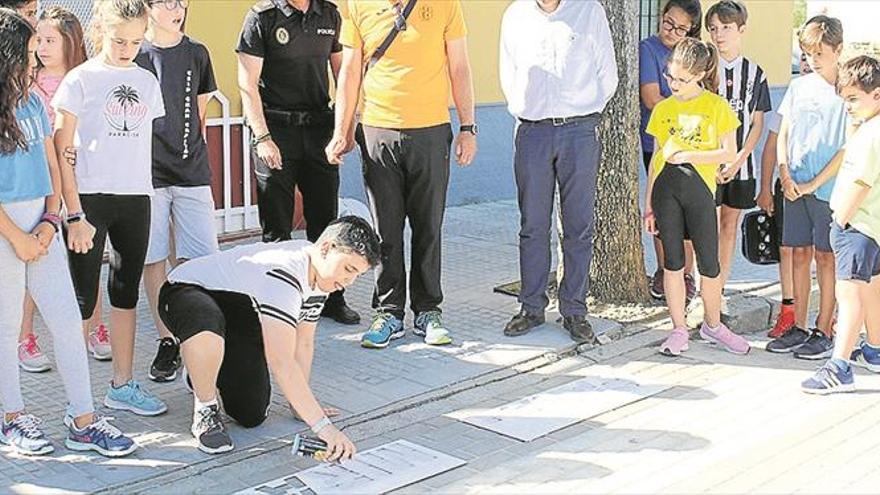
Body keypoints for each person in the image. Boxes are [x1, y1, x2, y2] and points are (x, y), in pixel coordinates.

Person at [0, 7, 137, 457]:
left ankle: (83, 418)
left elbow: (52, 162)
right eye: (28, 50)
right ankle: (12, 417)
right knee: (4, 330)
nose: (36, 58)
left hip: (43, 229)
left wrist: (50, 220)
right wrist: (17, 237)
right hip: (7, 233)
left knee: (65, 320)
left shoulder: (33, 102)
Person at [159, 216, 379, 455]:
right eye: (348, 269)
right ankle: (205, 408)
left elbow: (303, 342)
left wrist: (301, 407)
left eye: (357, 274)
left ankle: (198, 372)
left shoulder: (321, 277)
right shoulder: (285, 273)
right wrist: (324, 428)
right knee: (206, 323)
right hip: (185, 290)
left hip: (237, 311)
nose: (348, 281)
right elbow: (281, 361)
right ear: (326, 248)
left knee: (250, 414)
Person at [327, 0, 477, 348]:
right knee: (385, 230)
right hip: (378, 130)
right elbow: (349, 71)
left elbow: (460, 67)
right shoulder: (357, 6)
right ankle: (389, 312)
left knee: (428, 226)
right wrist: (342, 130)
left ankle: (428, 311)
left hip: (430, 130)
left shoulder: (444, 4)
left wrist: (468, 126)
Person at [53, 0, 168, 416]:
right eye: (119, 40)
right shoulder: (79, 80)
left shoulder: (146, 80)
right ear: (101, 29)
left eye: (136, 42)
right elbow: (61, 150)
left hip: (136, 197)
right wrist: (74, 213)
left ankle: (121, 384)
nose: (127, 49)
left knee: (125, 293)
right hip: (89, 200)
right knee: (83, 298)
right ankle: (78, 399)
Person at [498, 0, 617, 343]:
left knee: (579, 225)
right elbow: (509, 72)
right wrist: (526, 110)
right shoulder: (515, 15)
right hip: (533, 131)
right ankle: (531, 307)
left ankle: (575, 310)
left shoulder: (589, 10)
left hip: (579, 130)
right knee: (532, 224)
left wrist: (585, 111)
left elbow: (607, 75)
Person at [236, 0, 360, 326]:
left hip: (319, 127)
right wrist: (262, 138)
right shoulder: (262, 17)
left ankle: (331, 298)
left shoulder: (330, 15)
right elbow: (247, 85)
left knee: (325, 221)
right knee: (277, 226)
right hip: (277, 129)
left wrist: (343, 130)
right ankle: (278, 300)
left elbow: (343, 75)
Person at [644, 38, 750, 357]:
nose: (674, 84)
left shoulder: (716, 106)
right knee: (673, 264)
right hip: (665, 192)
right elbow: (657, 160)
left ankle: (713, 325)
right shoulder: (663, 108)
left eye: (682, 79)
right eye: (670, 77)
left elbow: (729, 152)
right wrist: (648, 205)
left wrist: (687, 154)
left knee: (709, 264)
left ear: (702, 73)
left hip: (701, 193)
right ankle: (678, 329)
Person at [137, 0, 219, 383]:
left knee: (200, 259)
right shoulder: (135, 53)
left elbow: (200, 114)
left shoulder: (197, 53)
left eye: (181, 1)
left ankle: (197, 336)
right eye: (167, 2)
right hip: (145, 175)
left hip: (191, 171)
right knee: (152, 259)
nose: (178, 8)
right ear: (148, 8)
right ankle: (167, 339)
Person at [766, 15, 849, 360]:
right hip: (793, 185)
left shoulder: (846, 92)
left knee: (825, 258)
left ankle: (824, 328)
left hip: (827, 191)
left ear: (839, 50)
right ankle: (798, 325)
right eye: (808, 54)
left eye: (820, 54)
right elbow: (784, 133)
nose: (813, 61)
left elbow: (846, 148)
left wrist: (815, 183)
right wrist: (784, 173)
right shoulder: (799, 87)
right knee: (797, 254)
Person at [16, 6, 91, 374]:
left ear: (70, 42)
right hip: (42, 185)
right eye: (38, 41)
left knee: (83, 263)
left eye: (49, 40)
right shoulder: (28, 87)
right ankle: (24, 336)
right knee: (34, 262)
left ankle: (91, 326)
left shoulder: (83, 79)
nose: (42, 48)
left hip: (78, 181)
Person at [802, 55, 880, 394]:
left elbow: (861, 183)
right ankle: (875, 350)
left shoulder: (871, 135)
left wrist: (840, 219)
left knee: (849, 296)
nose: (846, 106)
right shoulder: (870, 128)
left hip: (856, 226)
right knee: (872, 290)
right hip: (871, 229)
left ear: (876, 95)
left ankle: (840, 366)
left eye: (853, 99)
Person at [706, 0, 771, 293]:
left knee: (729, 225)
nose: (719, 34)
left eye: (726, 27)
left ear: (741, 29)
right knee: (704, 228)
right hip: (707, 164)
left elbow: (757, 123)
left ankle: (719, 287)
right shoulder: (706, 70)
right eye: (713, 29)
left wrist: (738, 159)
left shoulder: (756, 73)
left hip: (741, 165)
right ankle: (702, 286)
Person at [639, 0, 702, 303]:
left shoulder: (694, 56)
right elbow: (652, 98)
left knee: (687, 213)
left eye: (681, 28)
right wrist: (685, 100)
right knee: (661, 212)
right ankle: (665, 270)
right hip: (658, 145)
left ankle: (686, 274)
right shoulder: (648, 49)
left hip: (694, 150)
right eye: (668, 23)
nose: (671, 31)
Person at [756, 57, 813, 339]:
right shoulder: (793, 92)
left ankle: (831, 316)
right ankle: (788, 310)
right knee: (787, 249)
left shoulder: (837, 93)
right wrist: (765, 187)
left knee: (824, 255)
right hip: (788, 182)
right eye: (803, 56)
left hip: (821, 186)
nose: (807, 62)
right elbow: (771, 143)